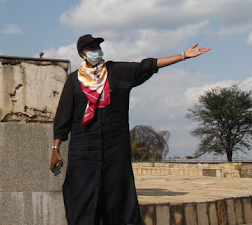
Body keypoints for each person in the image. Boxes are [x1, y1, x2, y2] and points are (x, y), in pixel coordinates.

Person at [50, 34, 210, 225]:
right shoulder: (74, 81)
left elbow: (148, 65)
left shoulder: (116, 72)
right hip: (84, 147)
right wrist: (55, 149)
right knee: (81, 195)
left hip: (115, 146)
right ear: (82, 54)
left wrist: (182, 55)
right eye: (91, 47)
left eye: (97, 46)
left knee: (118, 196)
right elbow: (63, 115)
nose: (96, 50)